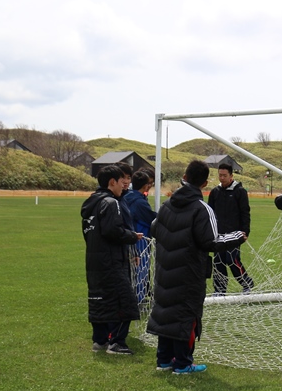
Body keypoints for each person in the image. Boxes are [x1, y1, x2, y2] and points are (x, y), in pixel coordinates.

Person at [147, 160, 246, 374]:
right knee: (186, 315)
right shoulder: (202, 208)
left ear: (185, 176)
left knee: (167, 312)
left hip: (165, 270)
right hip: (189, 273)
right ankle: (182, 363)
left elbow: (154, 229)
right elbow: (211, 241)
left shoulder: (167, 205)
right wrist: (237, 236)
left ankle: (164, 360)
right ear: (205, 182)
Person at [81, 164, 144, 355]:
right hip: (111, 261)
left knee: (100, 298)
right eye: (121, 181)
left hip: (94, 260)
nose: (124, 186)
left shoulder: (90, 202)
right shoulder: (110, 202)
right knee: (125, 301)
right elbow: (112, 231)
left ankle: (99, 341)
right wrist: (132, 236)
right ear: (112, 182)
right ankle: (117, 342)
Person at [208, 162, 255, 294]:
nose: (222, 178)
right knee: (218, 262)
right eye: (220, 175)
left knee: (232, 260)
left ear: (231, 176)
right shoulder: (215, 192)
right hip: (218, 234)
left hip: (235, 234)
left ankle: (247, 284)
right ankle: (219, 290)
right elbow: (210, 213)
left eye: (224, 175)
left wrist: (245, 231)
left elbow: (245, 213)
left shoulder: (240, 192)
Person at [123, 169, 157, 309]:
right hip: (141, 239)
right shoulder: (139, 202)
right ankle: (139, 300)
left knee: (134, 271)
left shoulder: (127, 197)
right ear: (145, 185)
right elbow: (152, 218)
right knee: (140, 270)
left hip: (130, 238)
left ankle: (135, 298)